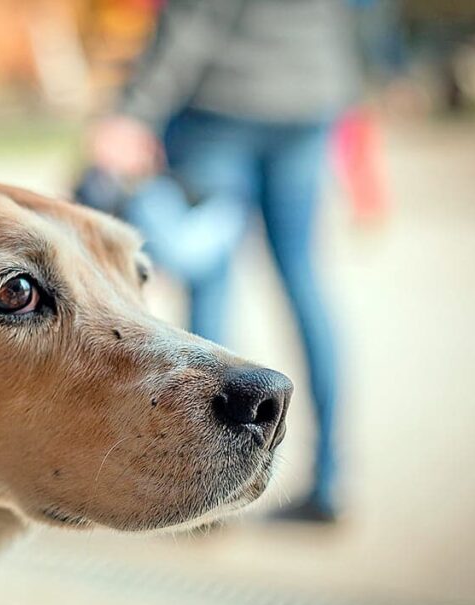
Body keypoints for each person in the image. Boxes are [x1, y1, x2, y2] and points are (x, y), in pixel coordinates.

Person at [89, 0, 363, 522]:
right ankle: (330, 480)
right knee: (304, 278)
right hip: (311, 97)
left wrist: (133, 111)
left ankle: (204, 488)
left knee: (209, 279)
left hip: (222, 105)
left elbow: (196, 16)